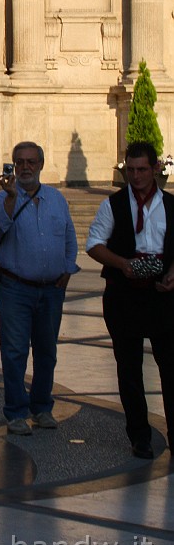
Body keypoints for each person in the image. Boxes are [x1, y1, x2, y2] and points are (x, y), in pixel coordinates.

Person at [86, 141, 174, 460]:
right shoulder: (113, 205)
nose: (135, 176)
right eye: (130, 170)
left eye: (141, 170)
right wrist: (123, 264)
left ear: (154, 170)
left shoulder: (170, 205)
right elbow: (94, 244)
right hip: (124, 295)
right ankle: (140, 436)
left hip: (164, 297)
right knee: (129, 370)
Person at [0, 141, 79, 435]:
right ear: (13, 166)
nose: (25, 167)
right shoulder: (3, 198)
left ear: (40, 164)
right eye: (20, 162)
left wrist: (68, 268)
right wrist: (11, 197)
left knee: (46, 352)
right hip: (15, 288)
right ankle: (15, 412)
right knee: (14, 352)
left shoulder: (57, 199)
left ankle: (41, 408)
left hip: (52, 289)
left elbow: (69, 236)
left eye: (31, 162)